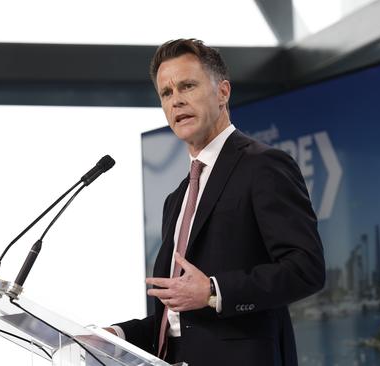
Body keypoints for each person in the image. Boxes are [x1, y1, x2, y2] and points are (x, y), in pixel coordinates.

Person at [107, 38, 325, 366]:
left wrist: (213, 290)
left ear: (222, 92)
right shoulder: (176, 199)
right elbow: (179, 322)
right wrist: (116, 336)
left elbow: (306, 268)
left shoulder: (263, 165)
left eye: (188, 86)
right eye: (166, 93)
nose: (176, 101)